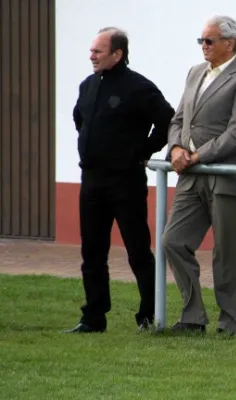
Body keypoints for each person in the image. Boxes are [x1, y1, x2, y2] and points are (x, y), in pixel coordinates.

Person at [64, 27, 175, 333]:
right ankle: (93, 317)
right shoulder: (88, 86)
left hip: (125, 181)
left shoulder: (138, 87)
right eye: (91, 51)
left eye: (98, 51)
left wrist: (143, 150)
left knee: (138, 249)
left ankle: (149, 315)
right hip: (92, 180)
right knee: (92, 252)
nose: (91, 56)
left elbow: (168, 119)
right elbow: (80, 120)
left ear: (117, 54)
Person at [161, 15, 236, 336]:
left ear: (229, 43)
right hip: (191, 175)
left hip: (225, 174)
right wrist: (177, 147)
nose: (203, 46)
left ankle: (229, 323)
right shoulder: (195, 73)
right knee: (173, 241)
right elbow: (179, 118)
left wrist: (197, 156)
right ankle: (193, 317)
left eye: (209, 41)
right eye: (201, 41)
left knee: (226, 251)